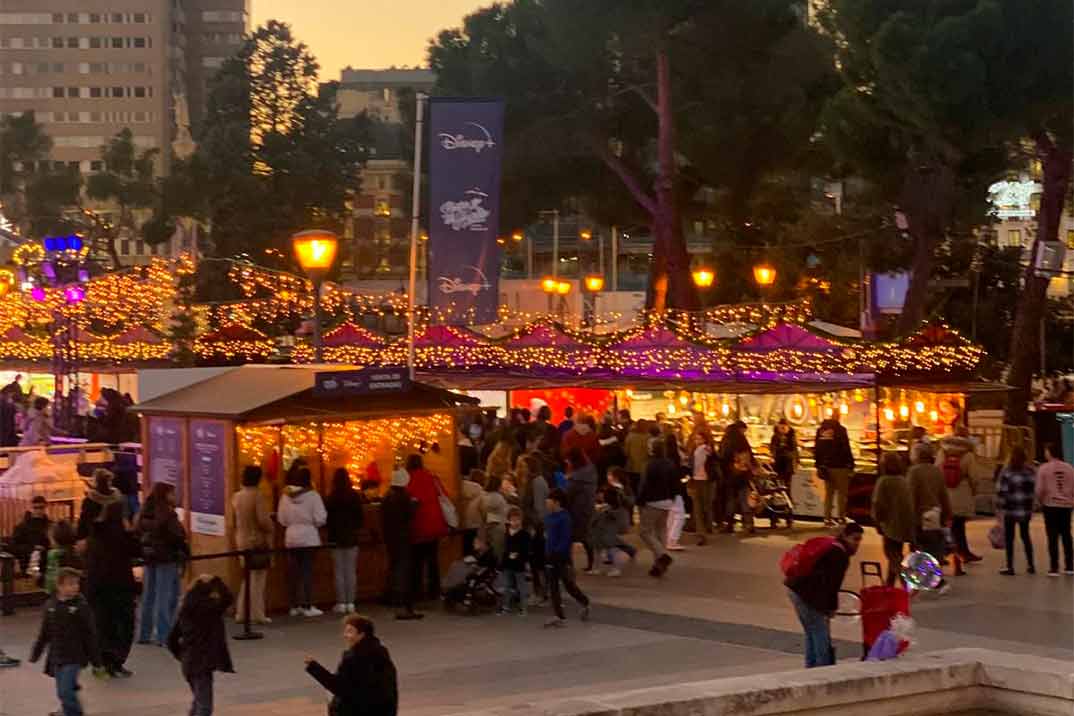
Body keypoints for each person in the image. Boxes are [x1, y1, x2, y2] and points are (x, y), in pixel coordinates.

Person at [78, 469, 138, 678]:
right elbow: (133, 547)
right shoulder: (120, 529)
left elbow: (81, 531)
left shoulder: (95, 533)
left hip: (97, 577)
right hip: (120, 578)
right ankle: (116, 661)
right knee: (123, 620)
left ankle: (102, 660)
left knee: (102, 620)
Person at [785, 523, 864, 668]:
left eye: (860, 540)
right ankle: (823, 669)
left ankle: (811, 667)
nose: (857, 544)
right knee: (820, 632)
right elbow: (832, 585)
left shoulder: (833, 546)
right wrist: (830, 608)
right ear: (845, 537)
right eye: (855, 539)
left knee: (811, 631)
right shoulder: (840, 555)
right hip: (805, 593)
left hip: (796, 588)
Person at [30, 568, 100, 716]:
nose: (75, 587)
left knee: (64, 691)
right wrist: (36, 652)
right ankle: (67, 710)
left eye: (76, 583)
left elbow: (90, 634)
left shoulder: (81, 607)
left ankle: (75, 713)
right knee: (62, 690)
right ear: (59, 586)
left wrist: (96, 661)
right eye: (70, 584)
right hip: (57, 656)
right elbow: (45, 633)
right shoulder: (50, 606)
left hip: (75, 657)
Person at [304, 614, 398, 716]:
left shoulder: (353, 658)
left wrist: (314, 667)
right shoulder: (381, 651)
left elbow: (338, 687)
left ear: (361, 634)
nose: (345, 635)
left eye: (350, 631)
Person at [167, 575, 235, 716]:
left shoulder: (185, 611)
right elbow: (228, 598)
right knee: (204, 707)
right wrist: (216, 580)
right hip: (203, 664)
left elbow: (171, 640)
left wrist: (181, 655)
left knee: (198, 702)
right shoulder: (211, 610)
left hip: (189, 662)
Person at [136, 481, 189, 645]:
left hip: (150, 557)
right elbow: (179, 535)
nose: (174, 496)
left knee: (149, 595)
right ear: (166, 495)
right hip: (167, 557)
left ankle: (144, 633)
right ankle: (164, 634)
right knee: (166, 597)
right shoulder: (168, 514)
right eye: (172, 493)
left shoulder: (145, 513)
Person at [277, 467, 328, 617]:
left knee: (293, 573)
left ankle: (294, 605)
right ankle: (308, 605)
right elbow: (320, 518)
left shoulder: (285, 496)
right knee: (307, 572)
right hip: (309, 537)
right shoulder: (313, 496)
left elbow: (282, 519)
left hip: (291, 537)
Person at [231, 465, 274, 625]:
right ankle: (257, 614)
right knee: (258, 579)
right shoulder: (257, 496)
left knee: (247, 578)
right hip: (256, 541)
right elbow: (263, 520)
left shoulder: (237, 496)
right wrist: (271, 527)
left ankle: (242, 612)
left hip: (241, 539)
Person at [404, 454, 450, 602]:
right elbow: (444, 495)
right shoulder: (431, 477)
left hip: (418, 525)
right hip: (435, 524)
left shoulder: (407, 479)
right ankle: (434, 591)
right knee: (432, 560)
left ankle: (417, 592)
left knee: (416, 561)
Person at [543, 488, 591, 627]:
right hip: (550, 556)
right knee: (553, 586)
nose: (546, 502)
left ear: (556, 502)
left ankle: (584, 602)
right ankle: (559, 615)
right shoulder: (549, 517)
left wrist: (556, 553)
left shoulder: (565, 518)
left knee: (568, 584)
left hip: (561, 557)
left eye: (549, 499)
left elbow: (565, 539)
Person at [380, 468, 422, 620]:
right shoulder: (404, 497)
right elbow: (409, 515)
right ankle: (404, 605)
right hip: (403, 538)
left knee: (394, 567)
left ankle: (393, 599)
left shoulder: (387, 497)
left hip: (391, 538)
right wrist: (415, 505)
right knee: (403, 571)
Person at [936, 428, 980, 572]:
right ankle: (962, 553)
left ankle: (945, 553)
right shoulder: (968, 454)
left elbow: (937, 470)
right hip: (962, 493)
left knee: (946, 526)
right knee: (959, 527)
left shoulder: (943, 451)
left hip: (946, 494)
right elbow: (974, 476)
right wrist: (974, 490)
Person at [871, 452, 916, 586]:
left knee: (893, 554)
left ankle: (905, 583)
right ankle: (889, 583)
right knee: (896, 552)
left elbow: (877, 503)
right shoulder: (903, 480)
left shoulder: (884, 481)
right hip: (905, 522)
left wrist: (877, 520)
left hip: (890, 523)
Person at [325, 468, 365, 615]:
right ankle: (351, 602)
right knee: (351, 571)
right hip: (351, 537)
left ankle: (341, 602)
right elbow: (360, 518)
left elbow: (326, 519)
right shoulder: (354, 496)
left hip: (335, 537)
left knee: (339, 571)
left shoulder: (331, 497)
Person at [908, 444, 952, 573]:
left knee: (919, 545)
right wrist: (947, 513)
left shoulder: (914, 471)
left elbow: (911, 494)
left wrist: (909, 516)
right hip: (935, 514)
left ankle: (923, 574)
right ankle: (934, 572)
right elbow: (943, 494)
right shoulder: (936, 470)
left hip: (919, 515)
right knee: (933, 545)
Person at [637, 441, 676, 577]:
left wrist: (640, 500)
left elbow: (645, 484)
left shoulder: (650, 465)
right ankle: (658, 566)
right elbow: (674, 483)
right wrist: (672, 498)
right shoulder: (670, 463)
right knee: (661, 531)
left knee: (644, 531)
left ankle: (662, 555)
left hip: (653, 501)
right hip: (667, 500)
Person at [996, 446, 1037, 576]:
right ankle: (1031, 565)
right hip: (1025, 510)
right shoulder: (1030, 471)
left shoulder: (1007, 472)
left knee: (1010, 539)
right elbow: (1033, 490)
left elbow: (1002, 492)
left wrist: (999, 509)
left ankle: (1010, 566)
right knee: (1025, 536)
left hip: (1010, 510)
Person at [1036, 442, 1074, 576]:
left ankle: (1054, 567)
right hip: (1066, 506)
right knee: (1066, 535)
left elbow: (1040, 489)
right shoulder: (1069, 468)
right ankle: (1070, 566)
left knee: (1052, 536)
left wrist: (1040, 501)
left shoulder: (1044, 468)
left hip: (1050, 505)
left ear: (1050, 452)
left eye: (1046, 451)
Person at [813, 414, 854, 526]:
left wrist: (818, 464)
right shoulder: (841, 430)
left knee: (829, 494)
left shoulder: (821, 430)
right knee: (842, 494)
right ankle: (841, 517)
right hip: (840, 466)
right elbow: (846, 448)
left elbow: (816, 448)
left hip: (826, 467)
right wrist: (851, 464)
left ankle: (827, 518)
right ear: (838, 418)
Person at [563, 447, 598, 573]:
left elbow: (568, 494)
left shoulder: (576, 478)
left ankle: (568, 565)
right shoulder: (590, 471)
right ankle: (591, 563)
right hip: (588, 508)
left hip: (575, 511)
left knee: (569, 538)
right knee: (585, 537)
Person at [719, 421, 755, 534]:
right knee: (744, 498)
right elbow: (750, 455)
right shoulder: (742, 440)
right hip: (743, 474)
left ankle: (729, 524)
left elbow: (723, 456)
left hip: (730, 474)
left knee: (731, 500)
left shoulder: (727, 440)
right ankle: (749, 524)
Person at [500, 507, 531, 614]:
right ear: (508, 520)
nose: (515, 522)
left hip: (519, 564)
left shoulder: (525, 534)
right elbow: (505, 547)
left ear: (521, 520)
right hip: (508, 563)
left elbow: (526, 549)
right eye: (512, 519)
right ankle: (506, 606)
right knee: (507, 585)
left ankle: (523, 607)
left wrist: (519, 555)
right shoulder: (507, 533)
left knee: (521, 586)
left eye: (517, 519)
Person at [11, 494, 51, 573]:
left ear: (45, 507)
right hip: (27, 566)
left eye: (41, 507)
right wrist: (32, 548)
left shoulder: (50, 525)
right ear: (31, 508)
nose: (38, 510)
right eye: (36, 508)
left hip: (46, 566)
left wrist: (45, 549)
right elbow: (14, 547)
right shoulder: (22, 527)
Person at [689, 432, 715, 545]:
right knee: (702, 506)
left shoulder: (704, 449)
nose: (697, 441)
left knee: (700, 507)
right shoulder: (699, 450)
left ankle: (703, 531)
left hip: (702, 480)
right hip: (701, 480)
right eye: (696, 439)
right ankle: (705, 530)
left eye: (699, 438)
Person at [44, 520, 82, 595]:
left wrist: (39, 578)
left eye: (50, 538)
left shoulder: (53, 555)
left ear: (56, 539)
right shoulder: (77, 553)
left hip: (60, 597)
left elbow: (51, 583)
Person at [480, 474, 509, 561]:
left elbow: (484, 514)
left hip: (487, 527)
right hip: (498, 527)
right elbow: (504, 512)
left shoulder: (484, 497)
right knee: (498, 554)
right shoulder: (498, 497)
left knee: (489, 554)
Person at [460, 468, 486, 556]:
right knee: (474, 549)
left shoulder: (460, 487)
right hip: (475, 524)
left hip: (461, 524)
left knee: (464, 549)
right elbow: (483, 509)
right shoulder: (480, 492)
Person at [770, 419, 798, 487]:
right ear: (778, 427)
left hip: (788, 464)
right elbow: (772, 448)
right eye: (781, 427)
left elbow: (794, 450)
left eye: (785, 427)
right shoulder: (775, 436)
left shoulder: (791, 436)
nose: (783, 429)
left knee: (787, 483)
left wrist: (796, 462)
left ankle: (787, 496)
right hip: (778, 463)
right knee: (778, 482)